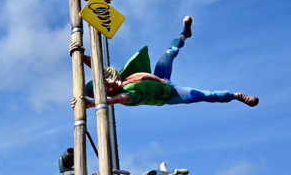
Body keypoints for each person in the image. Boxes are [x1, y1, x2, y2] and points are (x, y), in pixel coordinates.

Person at [78, 16, 258, 108]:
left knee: (169, 52)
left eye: (107, 81)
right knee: (207, 95)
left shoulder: (121, 78)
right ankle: (236, 96)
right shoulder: (128, 94)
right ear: (107, 93)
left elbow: (97, 67)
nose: (110, 83)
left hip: (161, 77)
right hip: (171, 93)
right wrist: (94, 103)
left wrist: (79, 53)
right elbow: (118, 99)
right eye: (107, 88)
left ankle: (183, 35)